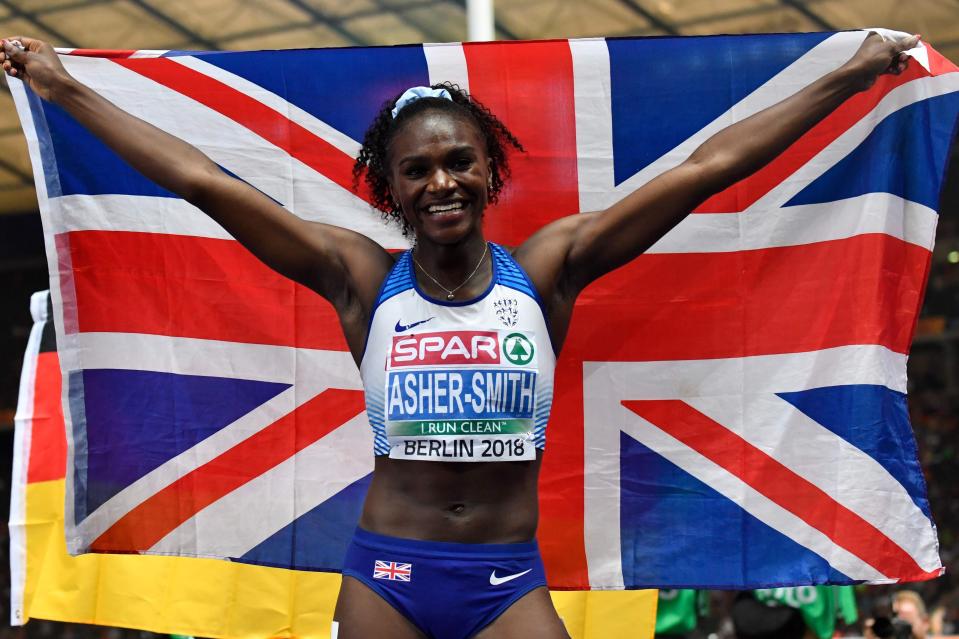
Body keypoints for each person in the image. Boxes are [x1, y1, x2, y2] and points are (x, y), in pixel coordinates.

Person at [0, 32, 917, 639]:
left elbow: (707, 168)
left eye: (456, 161)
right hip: (386, 576)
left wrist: (849, 72)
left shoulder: (549, 267)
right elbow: (202, 180)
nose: (440, 181)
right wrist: (59, 85)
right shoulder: (358, 276)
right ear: (389, 189)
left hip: (507, 578)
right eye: (417, 170)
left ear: (489, 170)